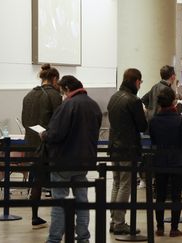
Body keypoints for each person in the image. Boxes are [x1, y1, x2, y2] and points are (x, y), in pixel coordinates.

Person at [43, 75, 102, 243]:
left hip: (63, 160)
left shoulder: (67, 105)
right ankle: (83, 238)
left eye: (62, 91)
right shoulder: (93, 105)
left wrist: (44, 135)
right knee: (82, 201)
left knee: (59, 202)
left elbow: (55, 133)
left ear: (67, 89)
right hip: (84, 160)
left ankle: (54, 239)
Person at [21, 63, 62, 229]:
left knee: (36, 181)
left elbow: (25, 121)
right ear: (54, 79)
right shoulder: (54, 96)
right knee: (58, 182)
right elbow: (59, 121)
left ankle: (35, 216)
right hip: (49, 145)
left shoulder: (28, 95)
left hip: (31, 143)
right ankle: (59, 220)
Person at [107, 68, 148, 235]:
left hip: (114, 146)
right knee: (125, 185)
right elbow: (142, 126)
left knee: (116, 183)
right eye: (140, 82)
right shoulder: (134, 101)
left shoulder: (114, 97)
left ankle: (113, 220)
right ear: (137, 81)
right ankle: (119, 223)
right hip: (128, 148)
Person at [149, 88, 182, 237]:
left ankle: (159, 228)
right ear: (173, 101)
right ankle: (174, 228)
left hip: (159, 160)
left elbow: (153, 140)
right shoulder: (180, 120)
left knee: (159, 195)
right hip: (178, 160)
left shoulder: (153, 121)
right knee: (176, 195)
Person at [140, 65, 176, 188]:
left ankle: (145, 179)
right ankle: (158, 181)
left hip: (151, 125)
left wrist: (149, 111)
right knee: (160, 154)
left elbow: (143, 99)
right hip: (163, 125)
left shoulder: (154, 87)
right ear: (172, 76)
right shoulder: (168, 90)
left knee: (149, 153)